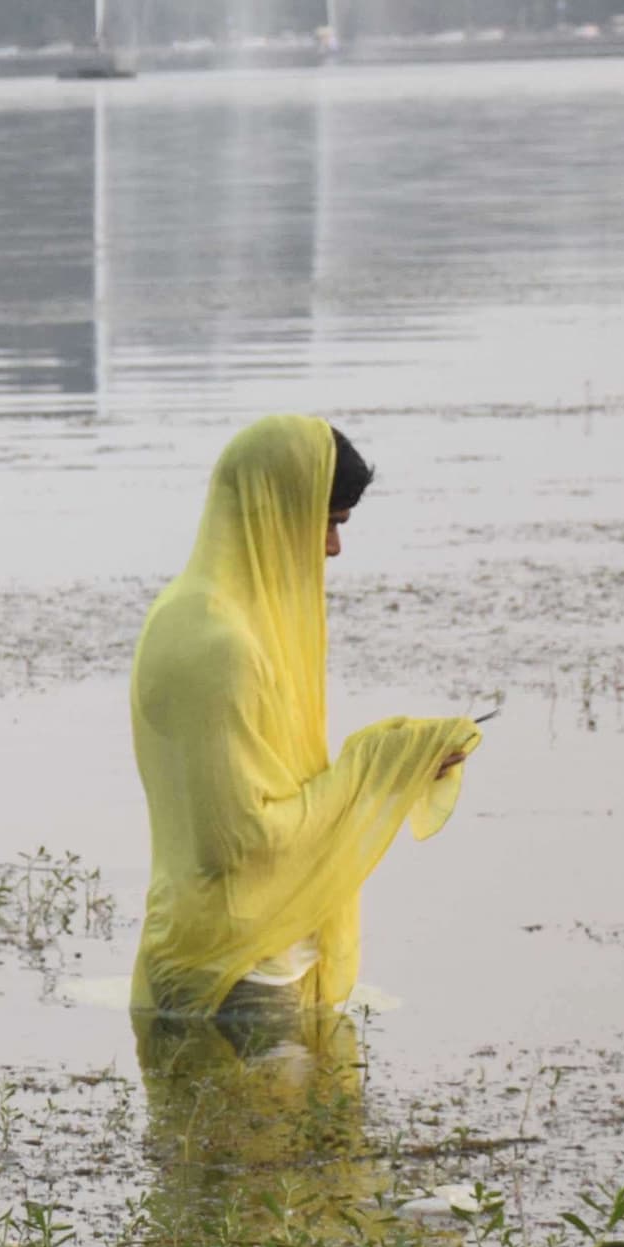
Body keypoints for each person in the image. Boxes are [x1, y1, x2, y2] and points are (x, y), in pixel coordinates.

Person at [128, 416, 483, 1020]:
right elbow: (236, 841)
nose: (333, 548)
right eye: (329, 522)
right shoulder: (219, 642)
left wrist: (396, 763)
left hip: (231, 951)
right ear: (277, 510)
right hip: (241, 978)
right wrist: (379, 765)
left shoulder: (198, 610)